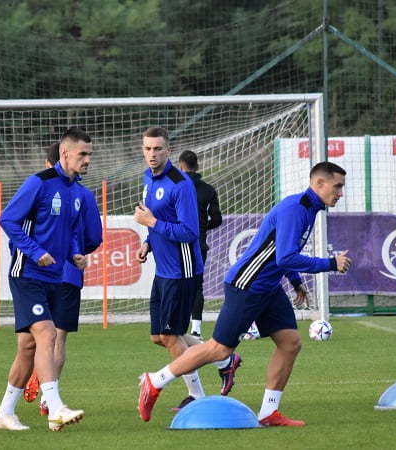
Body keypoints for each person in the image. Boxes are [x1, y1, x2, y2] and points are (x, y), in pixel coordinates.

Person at [138, 161, 351, 426]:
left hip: (268, 287)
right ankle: (154, 382)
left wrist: (296, 283)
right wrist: (330, 263)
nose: (341, 192)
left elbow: (281, 252)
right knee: (218, 349)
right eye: (338, 186)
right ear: (319, 183)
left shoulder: (308, 209)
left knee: (290, 343)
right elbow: (286, 256)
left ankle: (269, 413)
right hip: (247, 286)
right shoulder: (296, 208)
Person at [134, 127, 241, 413]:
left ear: (169, 150)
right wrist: (148, 242)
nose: (152, 154)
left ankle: (197, 397)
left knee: (171, 336)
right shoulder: (147, 177)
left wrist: (152, 224)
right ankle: (224, 360)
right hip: (163, 269)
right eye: (147, 149)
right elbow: (157, 219)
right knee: (159, 336)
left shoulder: (180, 184)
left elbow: (189, 231)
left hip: (182, 270)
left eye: (157, 149)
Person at [0, 127, 94, 432]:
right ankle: (55, 407)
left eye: (90, 154)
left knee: (27, 349)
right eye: (82, 154)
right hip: (27, 273)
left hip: (53, 276)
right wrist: (35, 252)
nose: (88, 159)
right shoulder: (39, 182)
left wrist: (76, 254)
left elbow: (74, 232)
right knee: (48, 335)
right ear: (65, 154)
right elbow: (7, 219)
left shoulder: (77, 192)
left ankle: (4, 413)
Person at [22, 140, 103, 417]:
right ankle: (50, 396)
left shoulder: (47, 189)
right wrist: (79, 251)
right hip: (68, 274)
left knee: (37, 339)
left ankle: (43, 386)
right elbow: (95, 238)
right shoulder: (83, 194)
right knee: (57, 338)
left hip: (45, 270)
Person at [177, 150, 222, 339]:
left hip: (176, 244)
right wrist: (202, 228)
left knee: (177, 285)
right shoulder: (208, 190)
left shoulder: (175, 187)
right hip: (198, 244)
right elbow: (217, 219)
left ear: (180, 167)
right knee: (197, 286)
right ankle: (196, 330)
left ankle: (176, 327)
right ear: (198, 166)